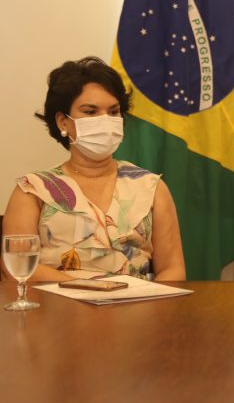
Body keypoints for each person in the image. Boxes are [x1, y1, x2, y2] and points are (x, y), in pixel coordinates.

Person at [2, 56, 185, 281]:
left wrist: (143, 300)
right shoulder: (32, 190)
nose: (105, 120)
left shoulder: (151, 187)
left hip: (140, 302)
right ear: (62, 122)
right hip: (57, 302)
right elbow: (16, 268)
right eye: (90, 112)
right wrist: (91, 291)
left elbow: (173, 270)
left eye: (113, 112)